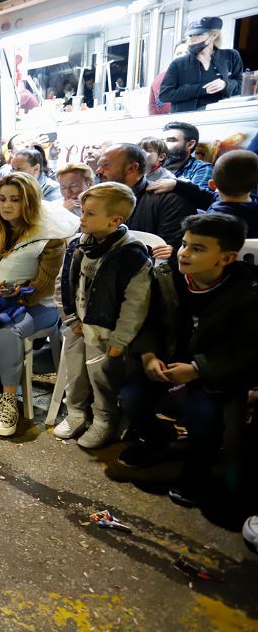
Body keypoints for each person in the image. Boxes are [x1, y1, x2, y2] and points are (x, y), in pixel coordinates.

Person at [119, 214, 257, 510]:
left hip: (215, 371)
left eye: (198, 248)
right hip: (168, 360)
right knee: (131, 397)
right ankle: (156, 436)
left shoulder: (248, 290)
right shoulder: (167, 276)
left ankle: (198, 468)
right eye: (184, 244)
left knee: (204, 414)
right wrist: (148, 355)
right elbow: (149, 321)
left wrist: (197, 369)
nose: (184, 253)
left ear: (227, 257)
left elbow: (245, 348)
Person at [0, 172, 80, 437]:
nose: (7, 205)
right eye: (2, 199)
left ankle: (7, 401)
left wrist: (16, 295)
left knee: (5, 329)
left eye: (15, 200)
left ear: (28, 201)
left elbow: (43, 284)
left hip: (38, 305)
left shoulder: (50, 235)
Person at [53, 183, 152, 448]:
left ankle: (104, 419)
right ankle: (75, 412)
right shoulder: (77, 245)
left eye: (89, 214)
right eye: (82, 212)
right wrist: (71, 318)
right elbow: (63, 284)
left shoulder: (131, 255)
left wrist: (120, 339)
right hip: (76, 327)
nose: (81, 218)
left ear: (115, 220)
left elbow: (136, 303)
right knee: (76, 373)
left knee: (102, 378)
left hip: (106, 333)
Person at [95, 143, 197, 258]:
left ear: (132, 168)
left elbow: (167, 255)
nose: (98, 171)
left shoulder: (171, 200)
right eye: (99, 165)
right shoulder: (98, 199)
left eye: (106, 165)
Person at [146, 150, 258, 236]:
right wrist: (177, 184)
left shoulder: (213, 220)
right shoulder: (253, 202)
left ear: (212, 185)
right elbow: (205, 196)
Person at [159, 16, 243, 113]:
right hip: (187, 119)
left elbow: (241, 85)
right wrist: (202, 89)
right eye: (190, 35)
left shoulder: (231, 56)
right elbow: (165, 94)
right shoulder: (178, 64)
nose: (192, 39)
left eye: (198, 34)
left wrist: (225, 84)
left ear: (214, 35)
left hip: (221, 115)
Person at [162, 121, 214, 188]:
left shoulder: (201, 168)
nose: (162, 145)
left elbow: (199, 197)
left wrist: (176, 186)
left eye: (171, 140)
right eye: (162, 141)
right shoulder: (153, 166)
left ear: (190, 144)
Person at [148, 40, 189, 115]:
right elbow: (152, 110)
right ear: (173, 57)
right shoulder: (158, 80)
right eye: (179, 53)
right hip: (166, 124)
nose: (182, 56)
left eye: (187, 53)